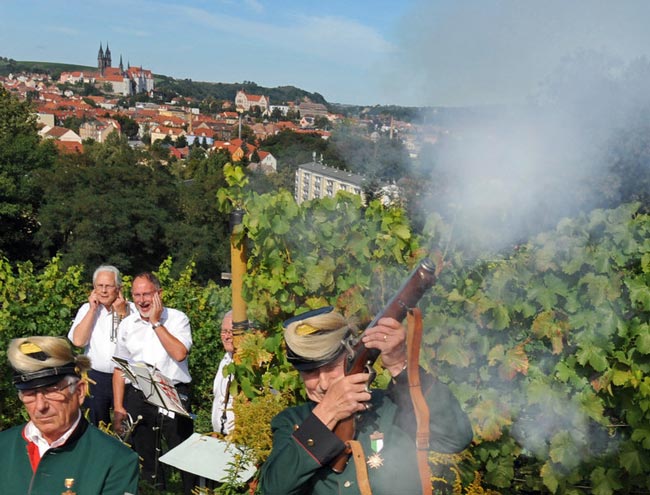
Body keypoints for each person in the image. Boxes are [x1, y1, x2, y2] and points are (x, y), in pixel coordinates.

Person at [259, 306, 474, 495]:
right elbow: (273, 489)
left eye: (331, 367)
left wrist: (399, 364)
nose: (323, 384)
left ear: (351, 358)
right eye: (310, 372)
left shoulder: (392, 405)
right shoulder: (293, 422)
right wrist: (326, 414)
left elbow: (456, 438)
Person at [0, 335, 139, 494]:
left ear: (80, 391)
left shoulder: (117, 460)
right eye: (29, 394)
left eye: (51, 391)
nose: (40, 406)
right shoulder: (4, 447)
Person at [112, 271, 195, 493]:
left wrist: (156, 323)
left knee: (183, 452)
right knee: (146, 455)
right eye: (136, 295)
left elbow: (179, 354)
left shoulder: (177, 319)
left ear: (159, 293)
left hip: (173, 393)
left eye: (147, 294)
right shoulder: (127, 324)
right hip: (140, 393)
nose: (141, 301)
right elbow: (119, 368)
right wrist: (119, 407)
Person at [68, 264, 134, 426]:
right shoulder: (86, 309)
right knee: (96, 425)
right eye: (100, 286)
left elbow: (132, 343)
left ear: (119, 288)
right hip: (95, 378)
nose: (104, 291)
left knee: (127, 425)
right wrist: (92, 310)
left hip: (126, 380)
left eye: (109, 286)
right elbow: (78, 341)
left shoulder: (132, 310)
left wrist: (121, 315)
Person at [211, 310, 236, 435]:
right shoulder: (225, 360)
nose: (226, 337)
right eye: (224, 331)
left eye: (231, 332)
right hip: (220, 436)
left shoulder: (253, 365)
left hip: (239, 438)